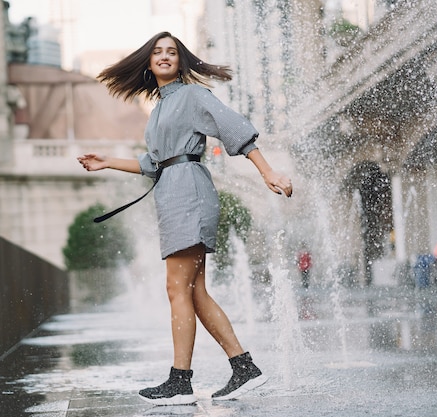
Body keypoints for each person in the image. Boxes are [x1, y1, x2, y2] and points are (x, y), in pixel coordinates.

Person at [78, 31, 293, 406]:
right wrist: (108, 161)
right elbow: (156, 162)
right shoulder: (160, 107)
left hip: (189, 193)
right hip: (176, 190)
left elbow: (234, 128)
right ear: (148, 62)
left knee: (178, 289)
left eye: (171, 52)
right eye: (157, 52)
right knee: (192, 291)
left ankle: (181, 380)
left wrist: (267, 172)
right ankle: (242, 367)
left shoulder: (193, 95)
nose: (164, 56)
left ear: (181, 60)